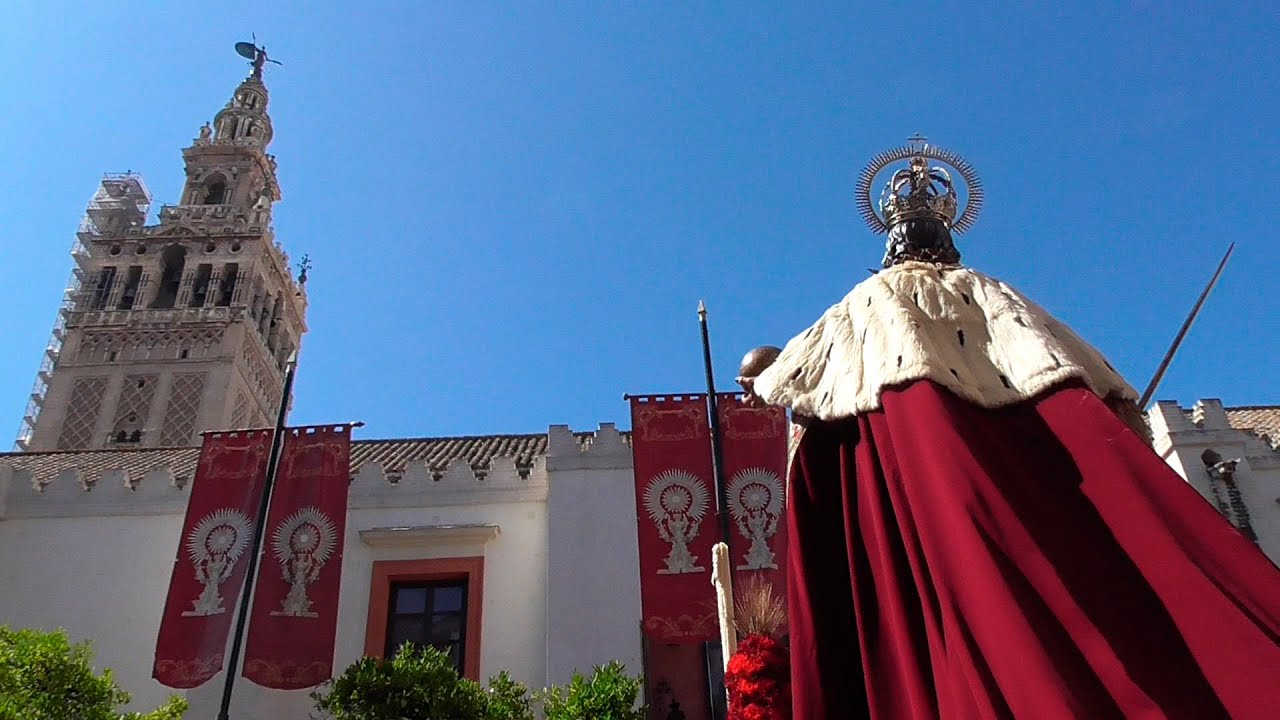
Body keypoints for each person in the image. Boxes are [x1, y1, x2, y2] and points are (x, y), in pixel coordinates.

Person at [737, 141, 1280, 719]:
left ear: (891, 244)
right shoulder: (1001, 299)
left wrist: (778, 379)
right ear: (948, 242)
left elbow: (796, 387)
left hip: (919, 504)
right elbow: (1096, 397)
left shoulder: (865, 306)